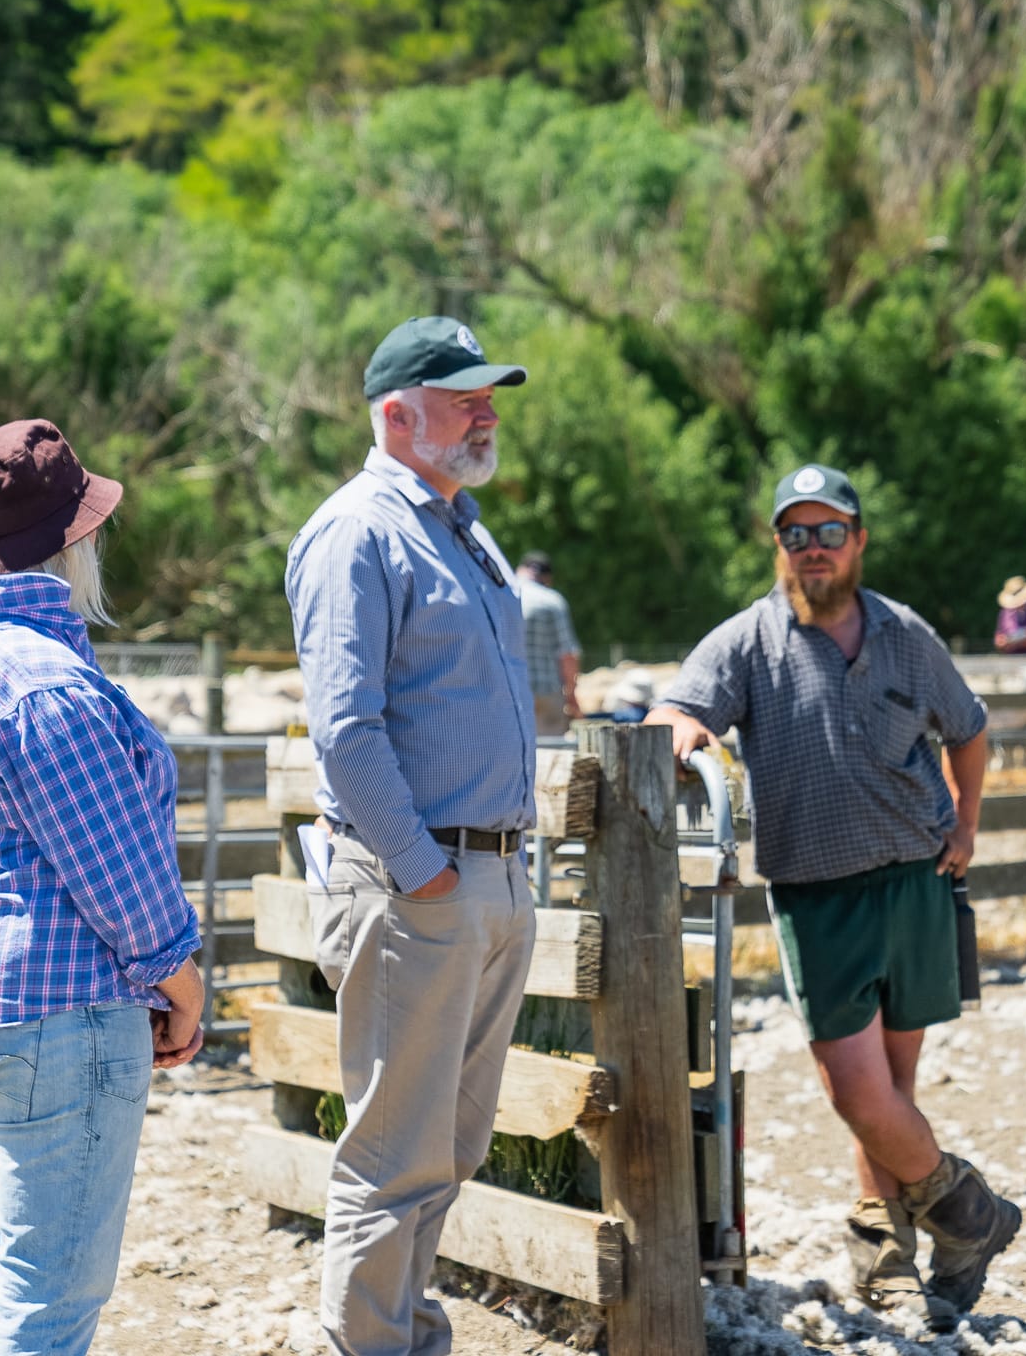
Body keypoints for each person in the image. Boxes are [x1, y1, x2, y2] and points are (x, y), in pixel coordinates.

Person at [648, 464, 1015, 1328]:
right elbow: (676, 707)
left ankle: (886, 1251)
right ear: (779, 547)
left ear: (857, 539)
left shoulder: (906, 634)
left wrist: (965, 829)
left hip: (916, 881)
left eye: (828, 532)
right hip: (816, 894)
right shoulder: (750, 640)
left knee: (893, 1084)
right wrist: (682, 731)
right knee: (858, 1094)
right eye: (794, 534)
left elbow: (969, 731)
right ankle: (972, 1216)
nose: (812, 549)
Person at [0, 419, 207, 1356]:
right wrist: (182, 984)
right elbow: (120, 873)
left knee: (3, 1285)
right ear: (67, 542)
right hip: (67, 1007)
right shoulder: (46, 681)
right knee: (54, 1301)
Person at [284, 316, 538, 1356]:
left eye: (489, 393)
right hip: (419, 882)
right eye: (464, 395)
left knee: (449, 1144)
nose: (486, 411)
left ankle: (399, 1333)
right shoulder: (356, 530)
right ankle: (364, 1345)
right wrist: (423, 871)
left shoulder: (455, 523)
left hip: (481, 877)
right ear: (395, 415)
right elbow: (343, 729)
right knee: (395, 1153)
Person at [513, 550, 582, 735]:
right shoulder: (552, 601)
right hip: (547, 692)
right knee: (551, 754)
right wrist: (572, 697)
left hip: (512, 691)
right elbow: (568, 654)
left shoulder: (501, 595)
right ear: (547, 577)